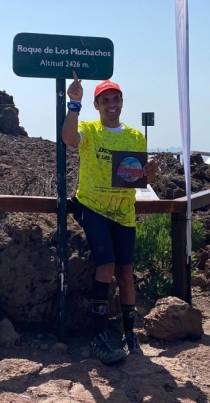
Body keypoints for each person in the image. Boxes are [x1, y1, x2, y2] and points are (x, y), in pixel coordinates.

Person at [62, 72, 157, 366]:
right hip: (94, 208)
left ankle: (130, 335)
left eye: (116, 99)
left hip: (124, 211)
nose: (111, 104)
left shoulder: (135, 136)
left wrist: (150, 172)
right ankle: (98, 338)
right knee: (106, 266)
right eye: (106, 100)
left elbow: (137, 177)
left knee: (126, 272)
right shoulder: (89, 130)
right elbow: (68, 139)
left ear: (122, 102)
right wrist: (73, 104)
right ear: (97, 104)